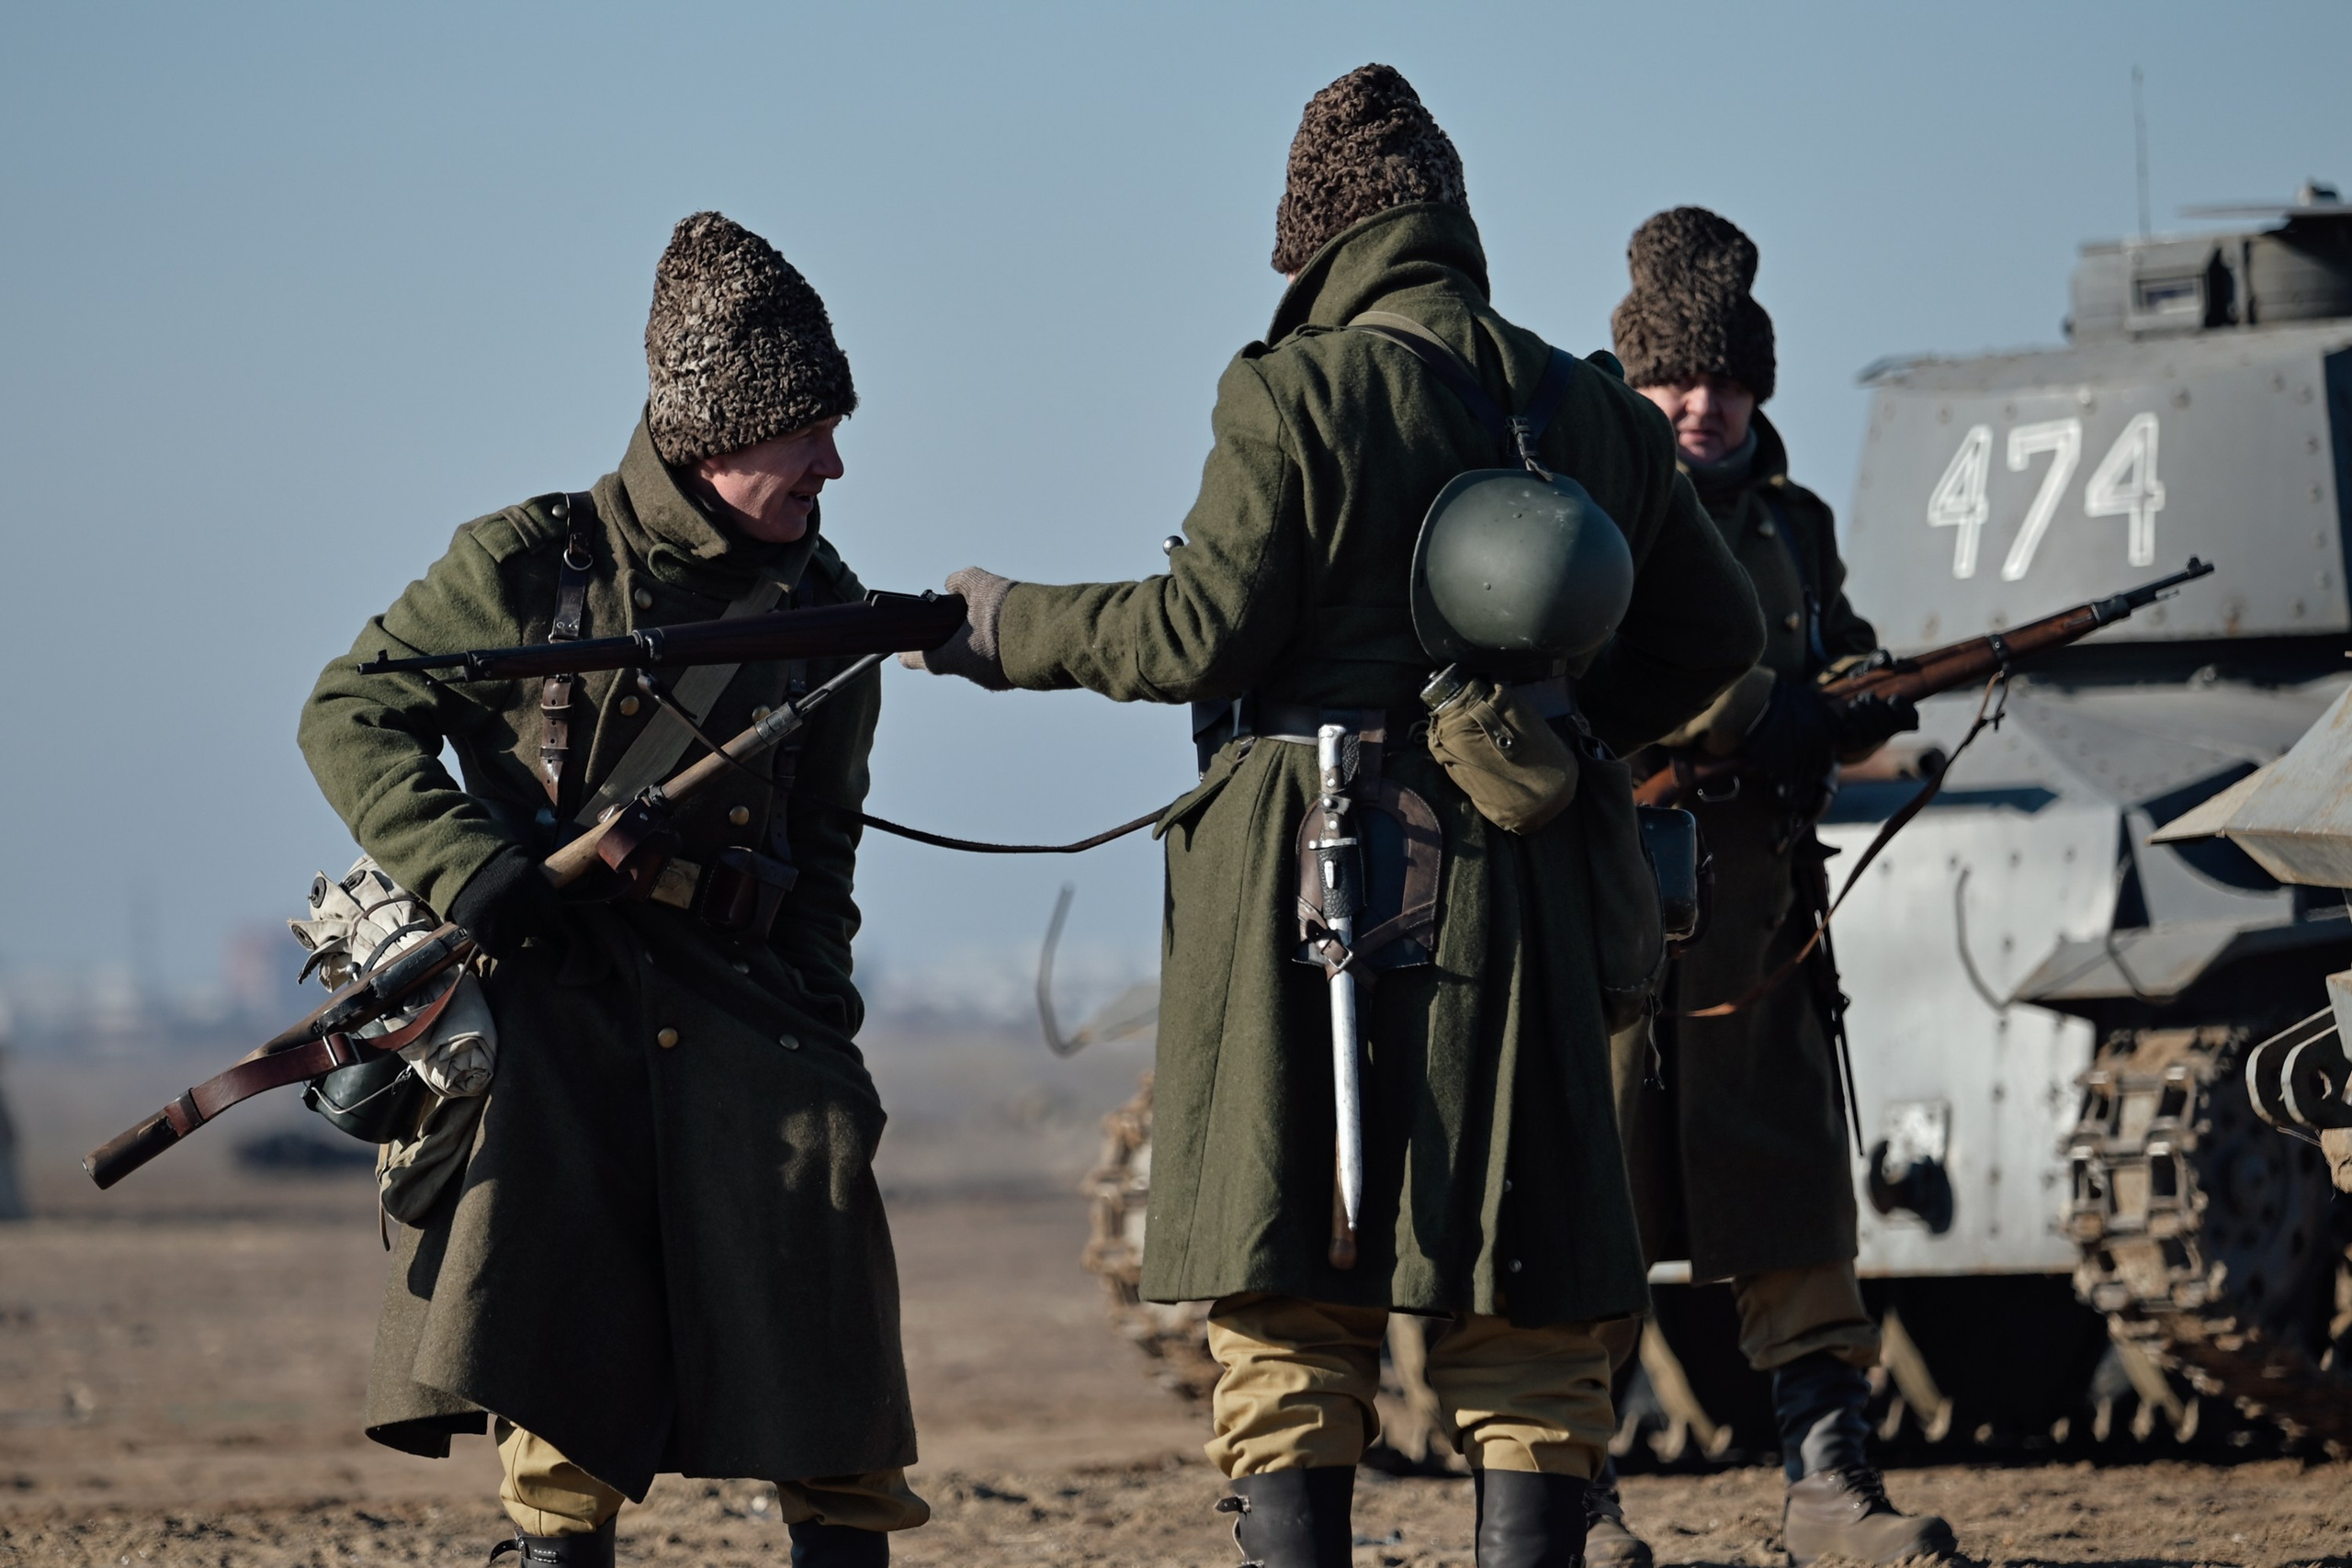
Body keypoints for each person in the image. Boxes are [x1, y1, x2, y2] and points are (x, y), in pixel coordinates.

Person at [904, 65, 1763, 1568]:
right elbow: (1715, 637)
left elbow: (1196, 635)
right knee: (1527, 1292)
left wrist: (999, 625)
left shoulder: (1288, 390)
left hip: (1312, 892)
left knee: (1296, 1304)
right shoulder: (1589, 409)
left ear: (1313, 244)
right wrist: (1545, 732)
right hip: (1535, 896)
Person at [299, 213, 923, 1568]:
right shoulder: (527, 565)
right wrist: (474, 868)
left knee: (839, 1402)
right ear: (717, 434)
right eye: (807, 428)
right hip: (558, 1015)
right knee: (561, 1424)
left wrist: (823, 1029)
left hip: (755, 1025)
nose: (833, 460)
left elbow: (825, 860)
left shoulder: (833, 614)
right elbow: (349, 713)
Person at [1592, 207, 1951, 1568]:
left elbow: (1835, 666)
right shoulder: (1580, 507)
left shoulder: (1793, 525)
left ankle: (1829, 1485)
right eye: (1676, 379)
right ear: (1634, 383)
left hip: (1759, 924)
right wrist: (1757, 707)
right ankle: (1576, 1503)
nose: (1703, 402)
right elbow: (1610, 669)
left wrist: (1857, 701)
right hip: (1614, 915)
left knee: (1799, 1209)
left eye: (1728, 379)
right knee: (1591, 1220)